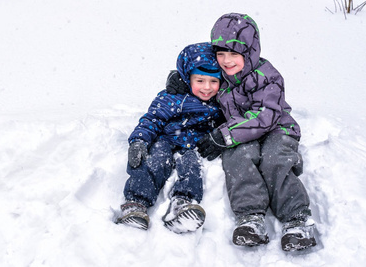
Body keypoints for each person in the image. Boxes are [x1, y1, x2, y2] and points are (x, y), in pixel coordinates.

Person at [166, 13, 317, 251]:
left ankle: (296, 219)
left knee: (274, 160)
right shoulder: (220, 74)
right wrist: (181, 79)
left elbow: (266, 115)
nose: (227, 61)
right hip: (239, 132)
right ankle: (250, 218)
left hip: (277, 129)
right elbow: (199, 73)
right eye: (221, 53)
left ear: (250, 51)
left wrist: (225, 135)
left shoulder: (267, 76)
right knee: (237, 158)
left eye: (234, 54)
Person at [116, 42, 224, 234]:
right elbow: (152, 119)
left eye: (213, 81)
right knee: (154, 161)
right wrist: (139, 140)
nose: (207, 88)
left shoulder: (221, 102)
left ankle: (182, 205)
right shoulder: (172, 97)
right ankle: (136, 203)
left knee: (192, 168)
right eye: (200, 81)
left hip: (194, 145)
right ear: (187, 77)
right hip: (166, 140)